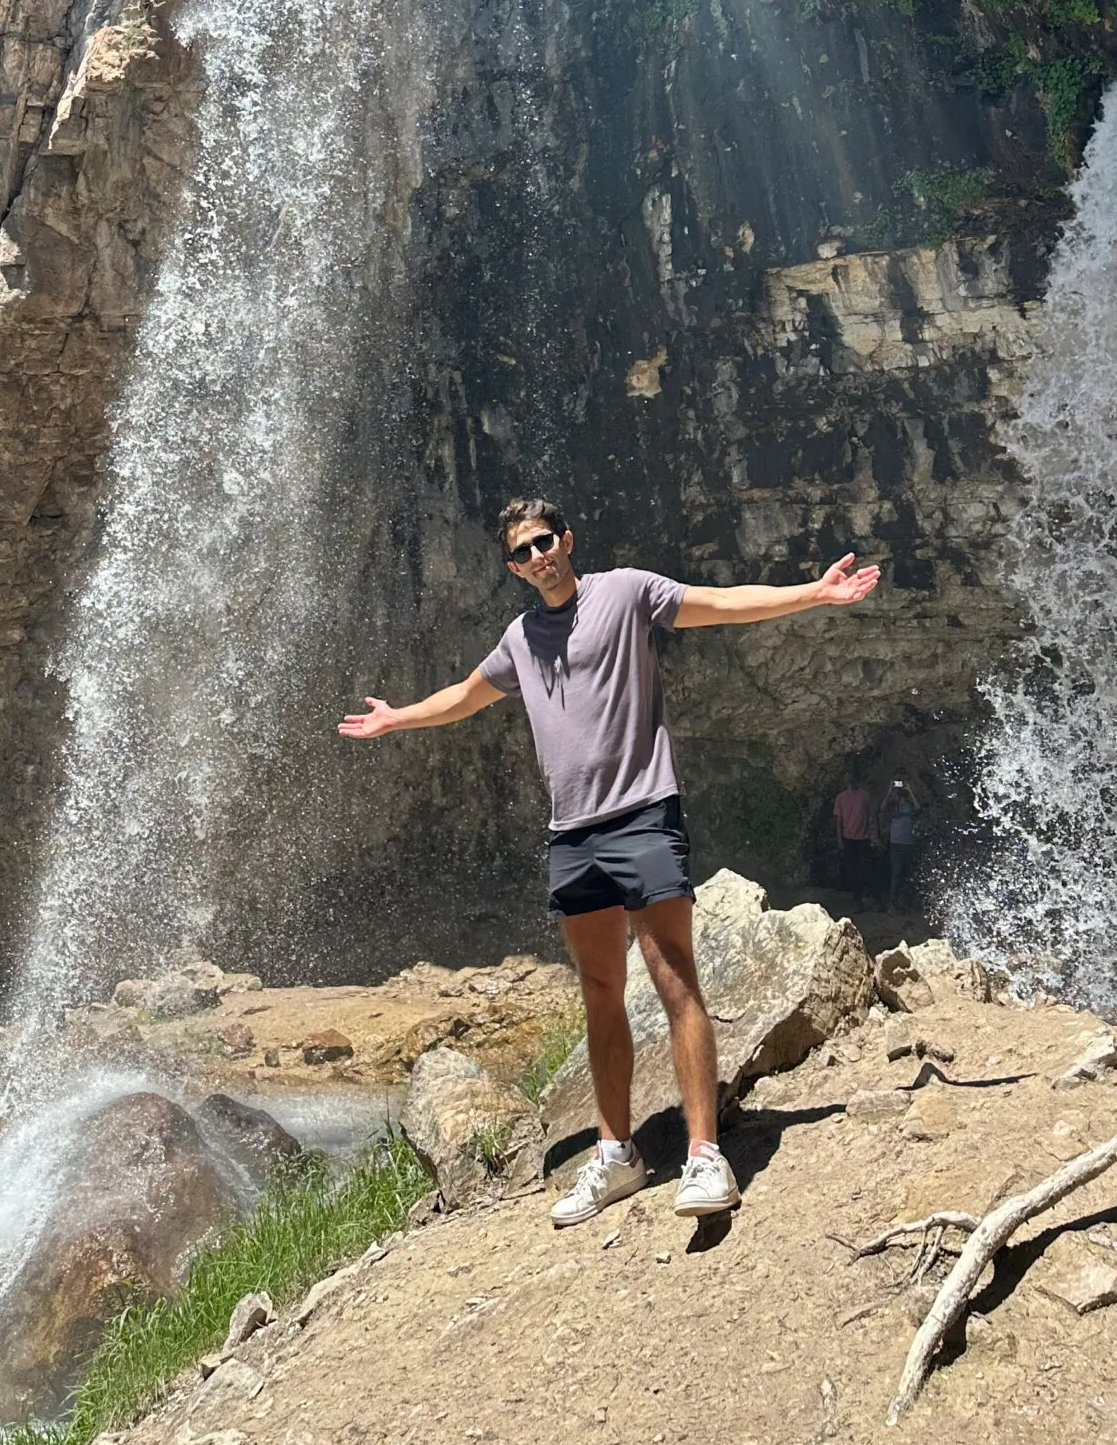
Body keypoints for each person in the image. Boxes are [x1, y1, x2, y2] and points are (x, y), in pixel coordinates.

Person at [341, 497, 880, 1227]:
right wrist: (397, 716)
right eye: (524, 551)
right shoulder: (520, 638)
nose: (539, 557)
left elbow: (717, 604)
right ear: (514, 566)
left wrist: (813, 594)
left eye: (545, 541)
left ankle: (702, 1154)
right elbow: (466, 697)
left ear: (569, 538)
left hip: (643, 813)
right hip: (573, 836)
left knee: (674, 977)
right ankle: (617, 1153)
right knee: (600, 992)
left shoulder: (626, 592)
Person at [830, 770, 878, 902]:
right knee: (852, 871)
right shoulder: (841, 797)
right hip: (848, 839)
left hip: (863, 838)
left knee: (867, 869)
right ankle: (858, 900)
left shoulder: (864, 795)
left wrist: (874, 836)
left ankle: (874, 898)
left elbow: (872, 816)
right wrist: (840, 840)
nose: (849, 781)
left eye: (851, 778)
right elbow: (839, 821)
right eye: (847, 778)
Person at [879, 774, 922, 906]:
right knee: (896, 872)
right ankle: (893, 902)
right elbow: (882, 808)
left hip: (908, 843)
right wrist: (889, 791)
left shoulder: (910, 805)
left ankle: (905, 901)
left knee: (907, 873)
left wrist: (910, 790)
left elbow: (918, 808)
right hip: (896, 843)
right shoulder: (893, 805)